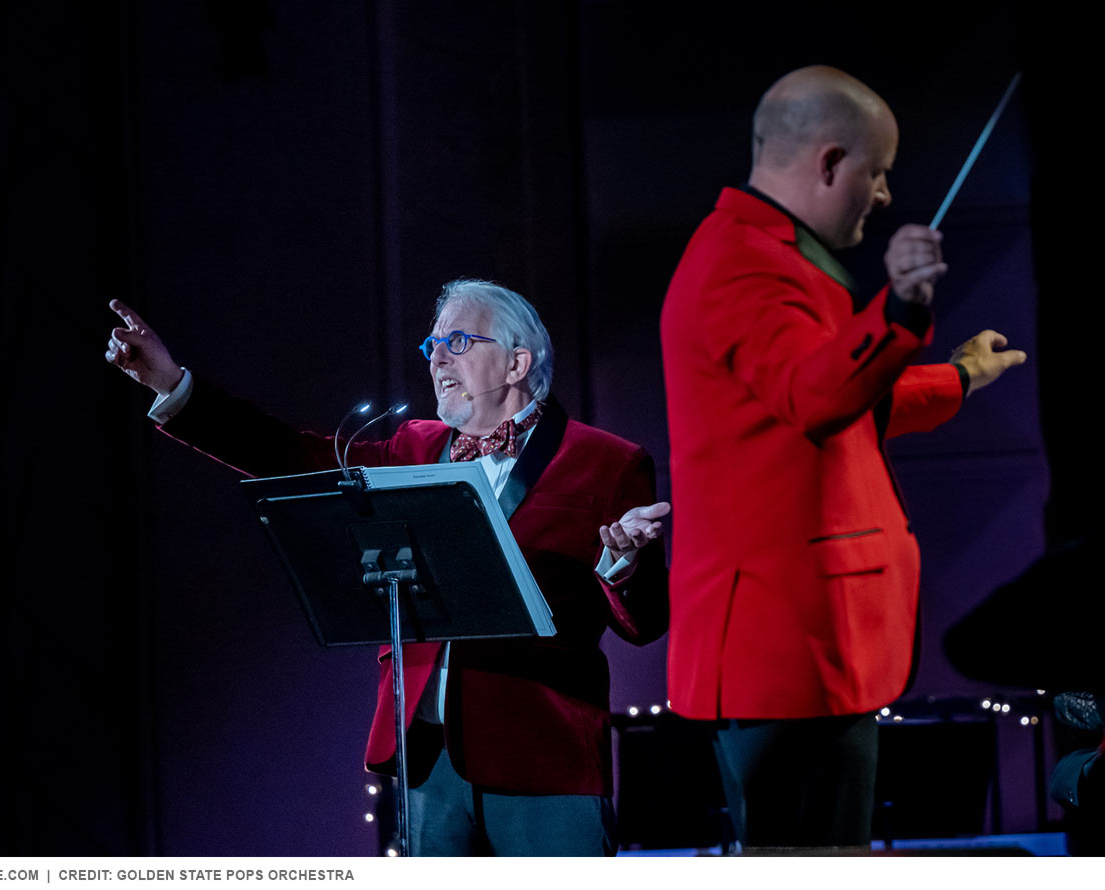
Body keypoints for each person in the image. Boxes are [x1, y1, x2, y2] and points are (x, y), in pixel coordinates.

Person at [105, 278, 669, 856]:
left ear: (516, 362)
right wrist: (174, 385)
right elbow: (293, 458)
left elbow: (644, 624)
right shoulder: (413, 447)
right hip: (429, 759)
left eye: (457, 342)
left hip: (547, 757)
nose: (435, 360)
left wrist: (622, 564)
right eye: (431, 347)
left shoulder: (608, 462)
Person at [660, 65, 1027, 848]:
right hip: (787, 653)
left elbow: (849, 402)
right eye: (877, 171)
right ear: (830, 163)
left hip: (800, 653)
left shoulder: (768, 254)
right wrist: (896, 310)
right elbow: (819, 395)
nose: (886, 193)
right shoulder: (741, 262)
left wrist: (959, 374)